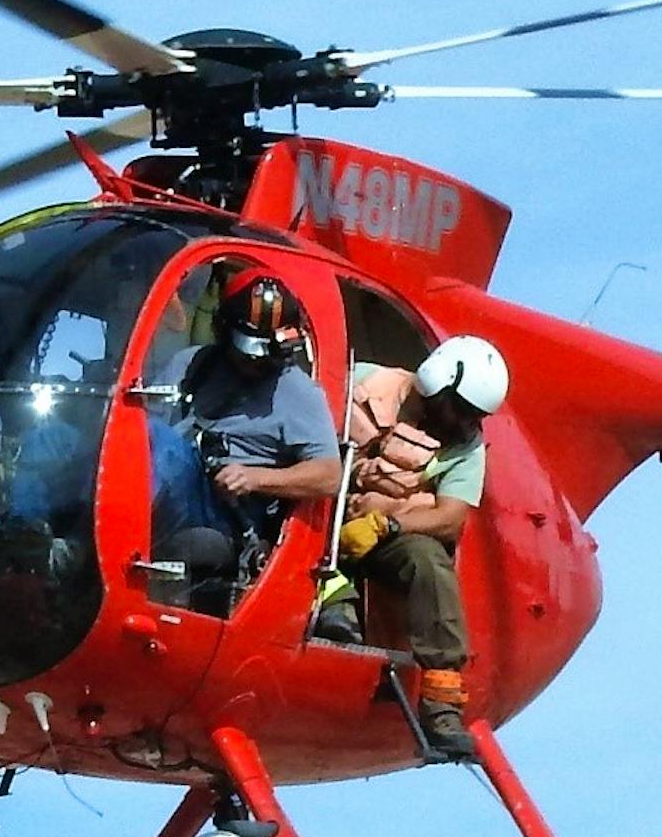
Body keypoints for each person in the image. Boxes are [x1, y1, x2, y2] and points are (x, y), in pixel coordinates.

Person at [335, 336, 509, 757]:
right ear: (437, 383)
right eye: (464, 412)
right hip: (324, 509)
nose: (469, 426)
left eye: (477, 416)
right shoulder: (364, 384)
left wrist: (387, 523)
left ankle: (442, 702)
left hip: (384, 536)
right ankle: (332, 603)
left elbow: (450, 518)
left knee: (428, 560)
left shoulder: (466, 447)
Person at [153, 266, 341, 582]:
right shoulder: (191, 363)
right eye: (251, 350)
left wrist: (254, 477)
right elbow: (139, 428)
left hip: (222, 511)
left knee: (162, 444)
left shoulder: (299, 392)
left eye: (272, 351)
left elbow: (329, 475)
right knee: (62, 437)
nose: (260, 361)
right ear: (224, 331)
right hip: (170, 485)